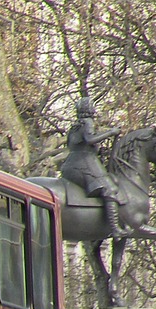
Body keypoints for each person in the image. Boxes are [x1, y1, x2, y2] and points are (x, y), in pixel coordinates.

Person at [60, 97, 125, 236]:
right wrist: (111, 132)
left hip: (70, 164)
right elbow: (90, 140)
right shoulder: (88, 123)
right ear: (90, 110)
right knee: (109, 189)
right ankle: (115, 229)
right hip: (84, 163)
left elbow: (75, 144)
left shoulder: (75, 126)